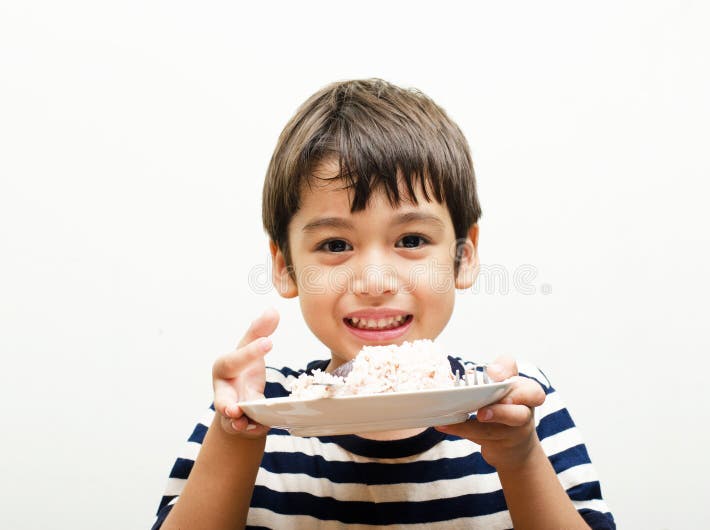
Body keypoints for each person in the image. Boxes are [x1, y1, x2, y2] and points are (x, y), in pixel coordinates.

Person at [153, 78, 615, 529]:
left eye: (411, 239)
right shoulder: (259, 408)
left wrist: (520, 457)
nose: (375, 282)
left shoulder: (516, 404)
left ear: (464, 257)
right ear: (285, 267)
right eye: (335, 245)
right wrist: (235, 437)